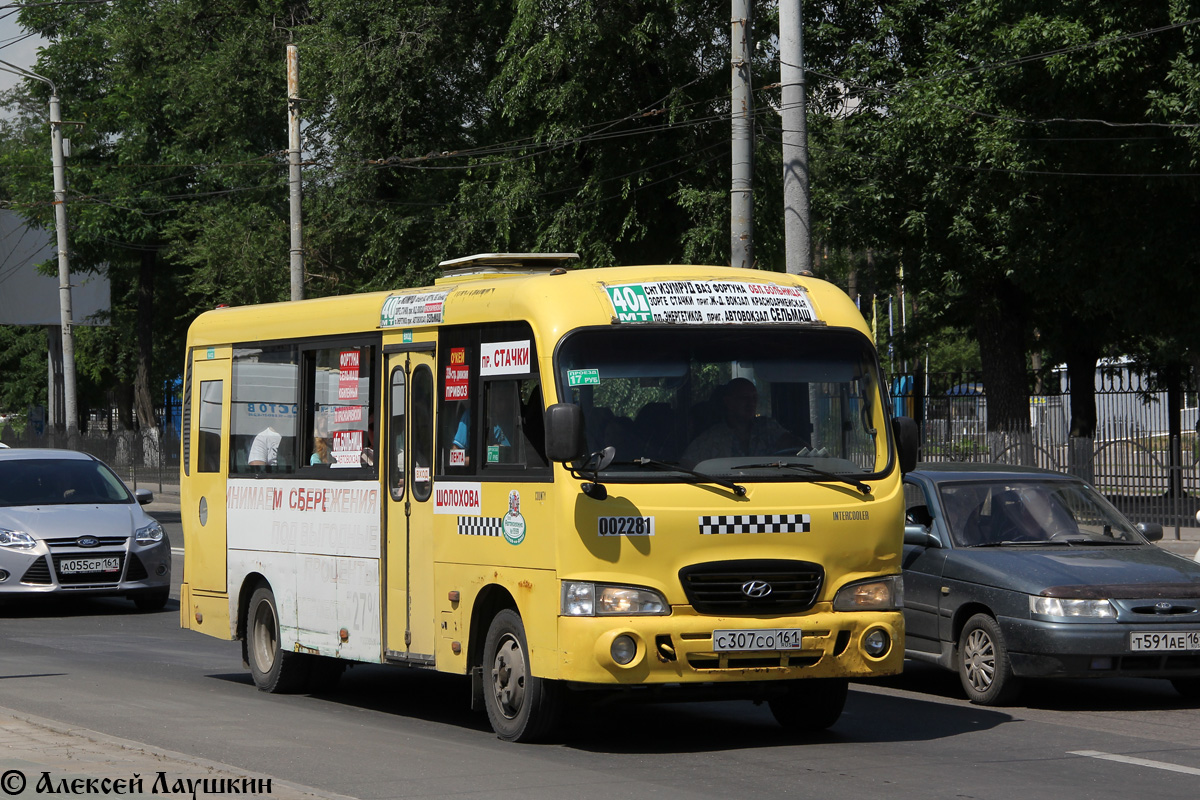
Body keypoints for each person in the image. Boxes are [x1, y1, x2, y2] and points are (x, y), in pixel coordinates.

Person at [680, 378, 799, 468]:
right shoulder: (711, 438)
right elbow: (687, 467)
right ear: (728, 402)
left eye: (754, 398)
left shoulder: (768, 428)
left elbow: (797, 447)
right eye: (744, 398)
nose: (751, 403)